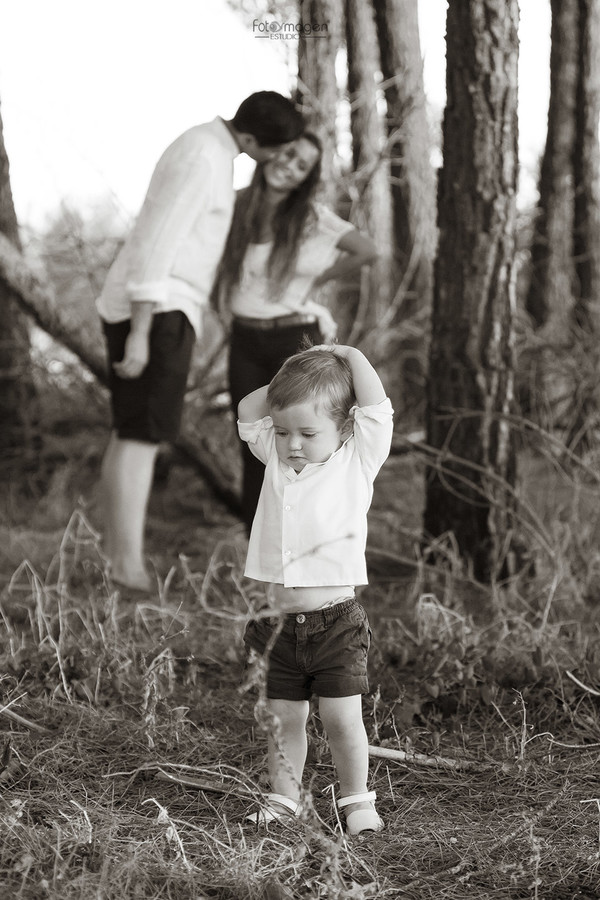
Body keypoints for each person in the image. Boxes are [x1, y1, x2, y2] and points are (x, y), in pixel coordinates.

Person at [96, 91, 305, 591]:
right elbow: (158, 241)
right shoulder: (204, 157)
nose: (279, 161)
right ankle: (126, 568)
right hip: (157, 310)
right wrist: (141, 332)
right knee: (141, 437)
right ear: (251, 138)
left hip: (162, 309)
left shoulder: (209, 150)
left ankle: (115, 558)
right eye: (277, 150)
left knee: (131, 433)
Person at [237, 344, 394, 835]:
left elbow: (377, 407)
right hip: (277, 627)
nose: (293, 444)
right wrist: (295, 379)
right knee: (284, 720)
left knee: (341, 719)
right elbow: (249, 408)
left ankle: (356, 800)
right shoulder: (274, 458)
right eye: (284, 431)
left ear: (344, 428)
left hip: (335, 624)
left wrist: (344, 355)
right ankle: (284, 798)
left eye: (308, 433)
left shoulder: (357, 460)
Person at [212, 132, 378, 532]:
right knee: (253, 439)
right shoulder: (235, 205)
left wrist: (318, 279)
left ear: (306, 177)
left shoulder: (310, 218)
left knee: (304, 440)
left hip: (293, 338)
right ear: (271, 152)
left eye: (302, 165)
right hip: (245, 339)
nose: (289, 166)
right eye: (287, 154)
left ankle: (309, 536)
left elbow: (367, 251)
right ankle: (259, 540)